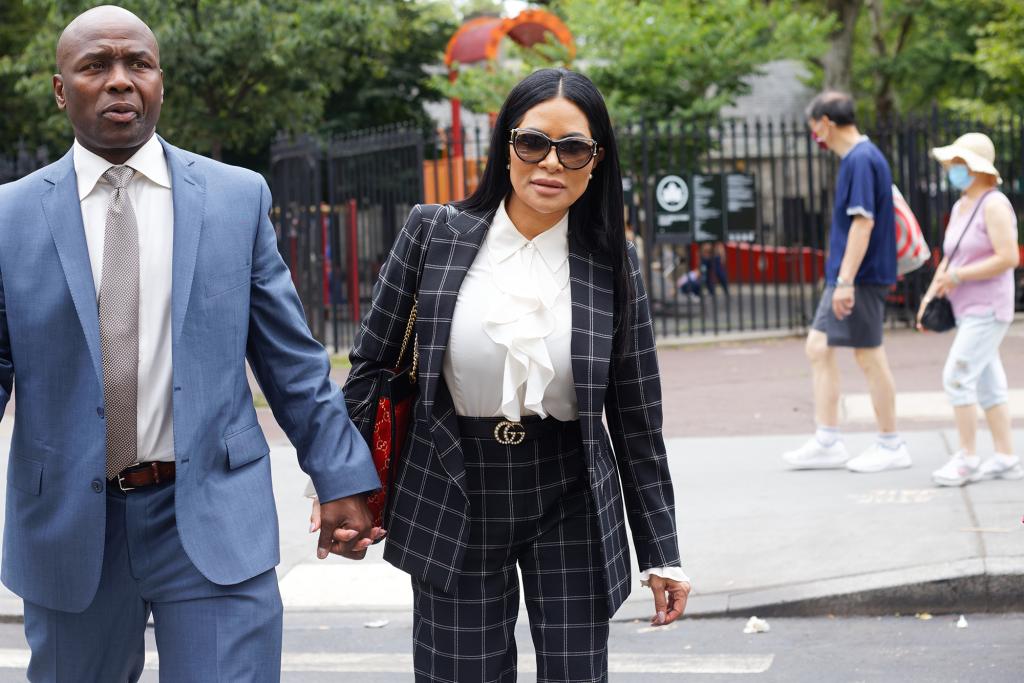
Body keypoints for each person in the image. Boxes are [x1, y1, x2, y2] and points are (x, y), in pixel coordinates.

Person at [0, 7, 380, 681]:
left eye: (137, 65)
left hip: (211, 512)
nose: (121, 82)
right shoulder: (10, 218)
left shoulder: (234, 199)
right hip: (68, 524)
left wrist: (342, 474)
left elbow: (291, 359)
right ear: (61, 89)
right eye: (96, 66)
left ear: (159, 82)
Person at [314, 68, 690, 682]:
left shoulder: (611, 265)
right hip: (452, 482)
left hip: (569, 491)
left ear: (596, 162)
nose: (550, 164)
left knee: (575, 673)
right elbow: (372, 368)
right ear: (506, 146)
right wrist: (343, 484)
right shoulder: (433, 233)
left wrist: (663, 553)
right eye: (533, 143)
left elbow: (636, 419)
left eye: (573, 149)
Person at [783, 91, 911, 473]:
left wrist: (845, 281)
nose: (814, 134)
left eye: (813, 127)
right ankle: (828, 439)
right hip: (853, 275)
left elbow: (863, 221)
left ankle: (891, 443)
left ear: (825, 122)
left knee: (868, 355)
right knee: (819, 347)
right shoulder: (862, 157)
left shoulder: (859, 159)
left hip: (859, 276)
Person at [920, 133, 1022, 486]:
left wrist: (959, 276)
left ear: (975, 168)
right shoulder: (964, 205)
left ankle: (967, 457)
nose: (951, 170)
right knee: (988, 383)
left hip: (988, 307)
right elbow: (951, 255)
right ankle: (1006, 457)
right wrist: (931, 293)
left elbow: (1008, 257)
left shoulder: (995, 205)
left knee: (958, 377)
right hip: (967, 307)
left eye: (957, 164)